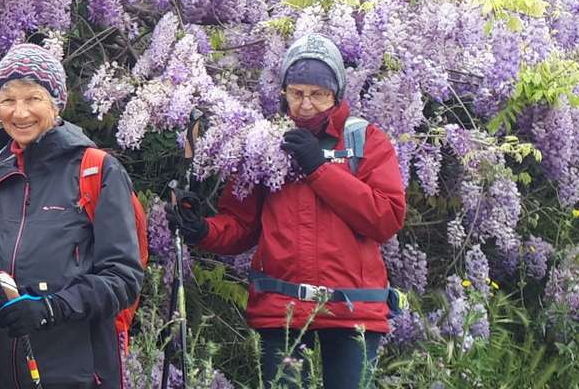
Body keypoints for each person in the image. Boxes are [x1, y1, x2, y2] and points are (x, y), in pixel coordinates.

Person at [168, 34, 404, 389]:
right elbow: (241, 225)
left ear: (336, 94)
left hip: (354, 309)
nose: (306, 105)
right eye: (296, 93)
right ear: (283, 92)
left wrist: (319, 169)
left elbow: (385, 218)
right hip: (283, 308)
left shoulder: (365, 140)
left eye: (318, 94)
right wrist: (202, 230)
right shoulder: (264, 140)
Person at [0, 43, 145, 389]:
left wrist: (51, 308)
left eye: (33, 98)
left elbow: (123, 278)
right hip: (3, 372)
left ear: (56, 103)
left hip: (76, 374)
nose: (19, 112)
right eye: (8, 100)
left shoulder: (97, 170)